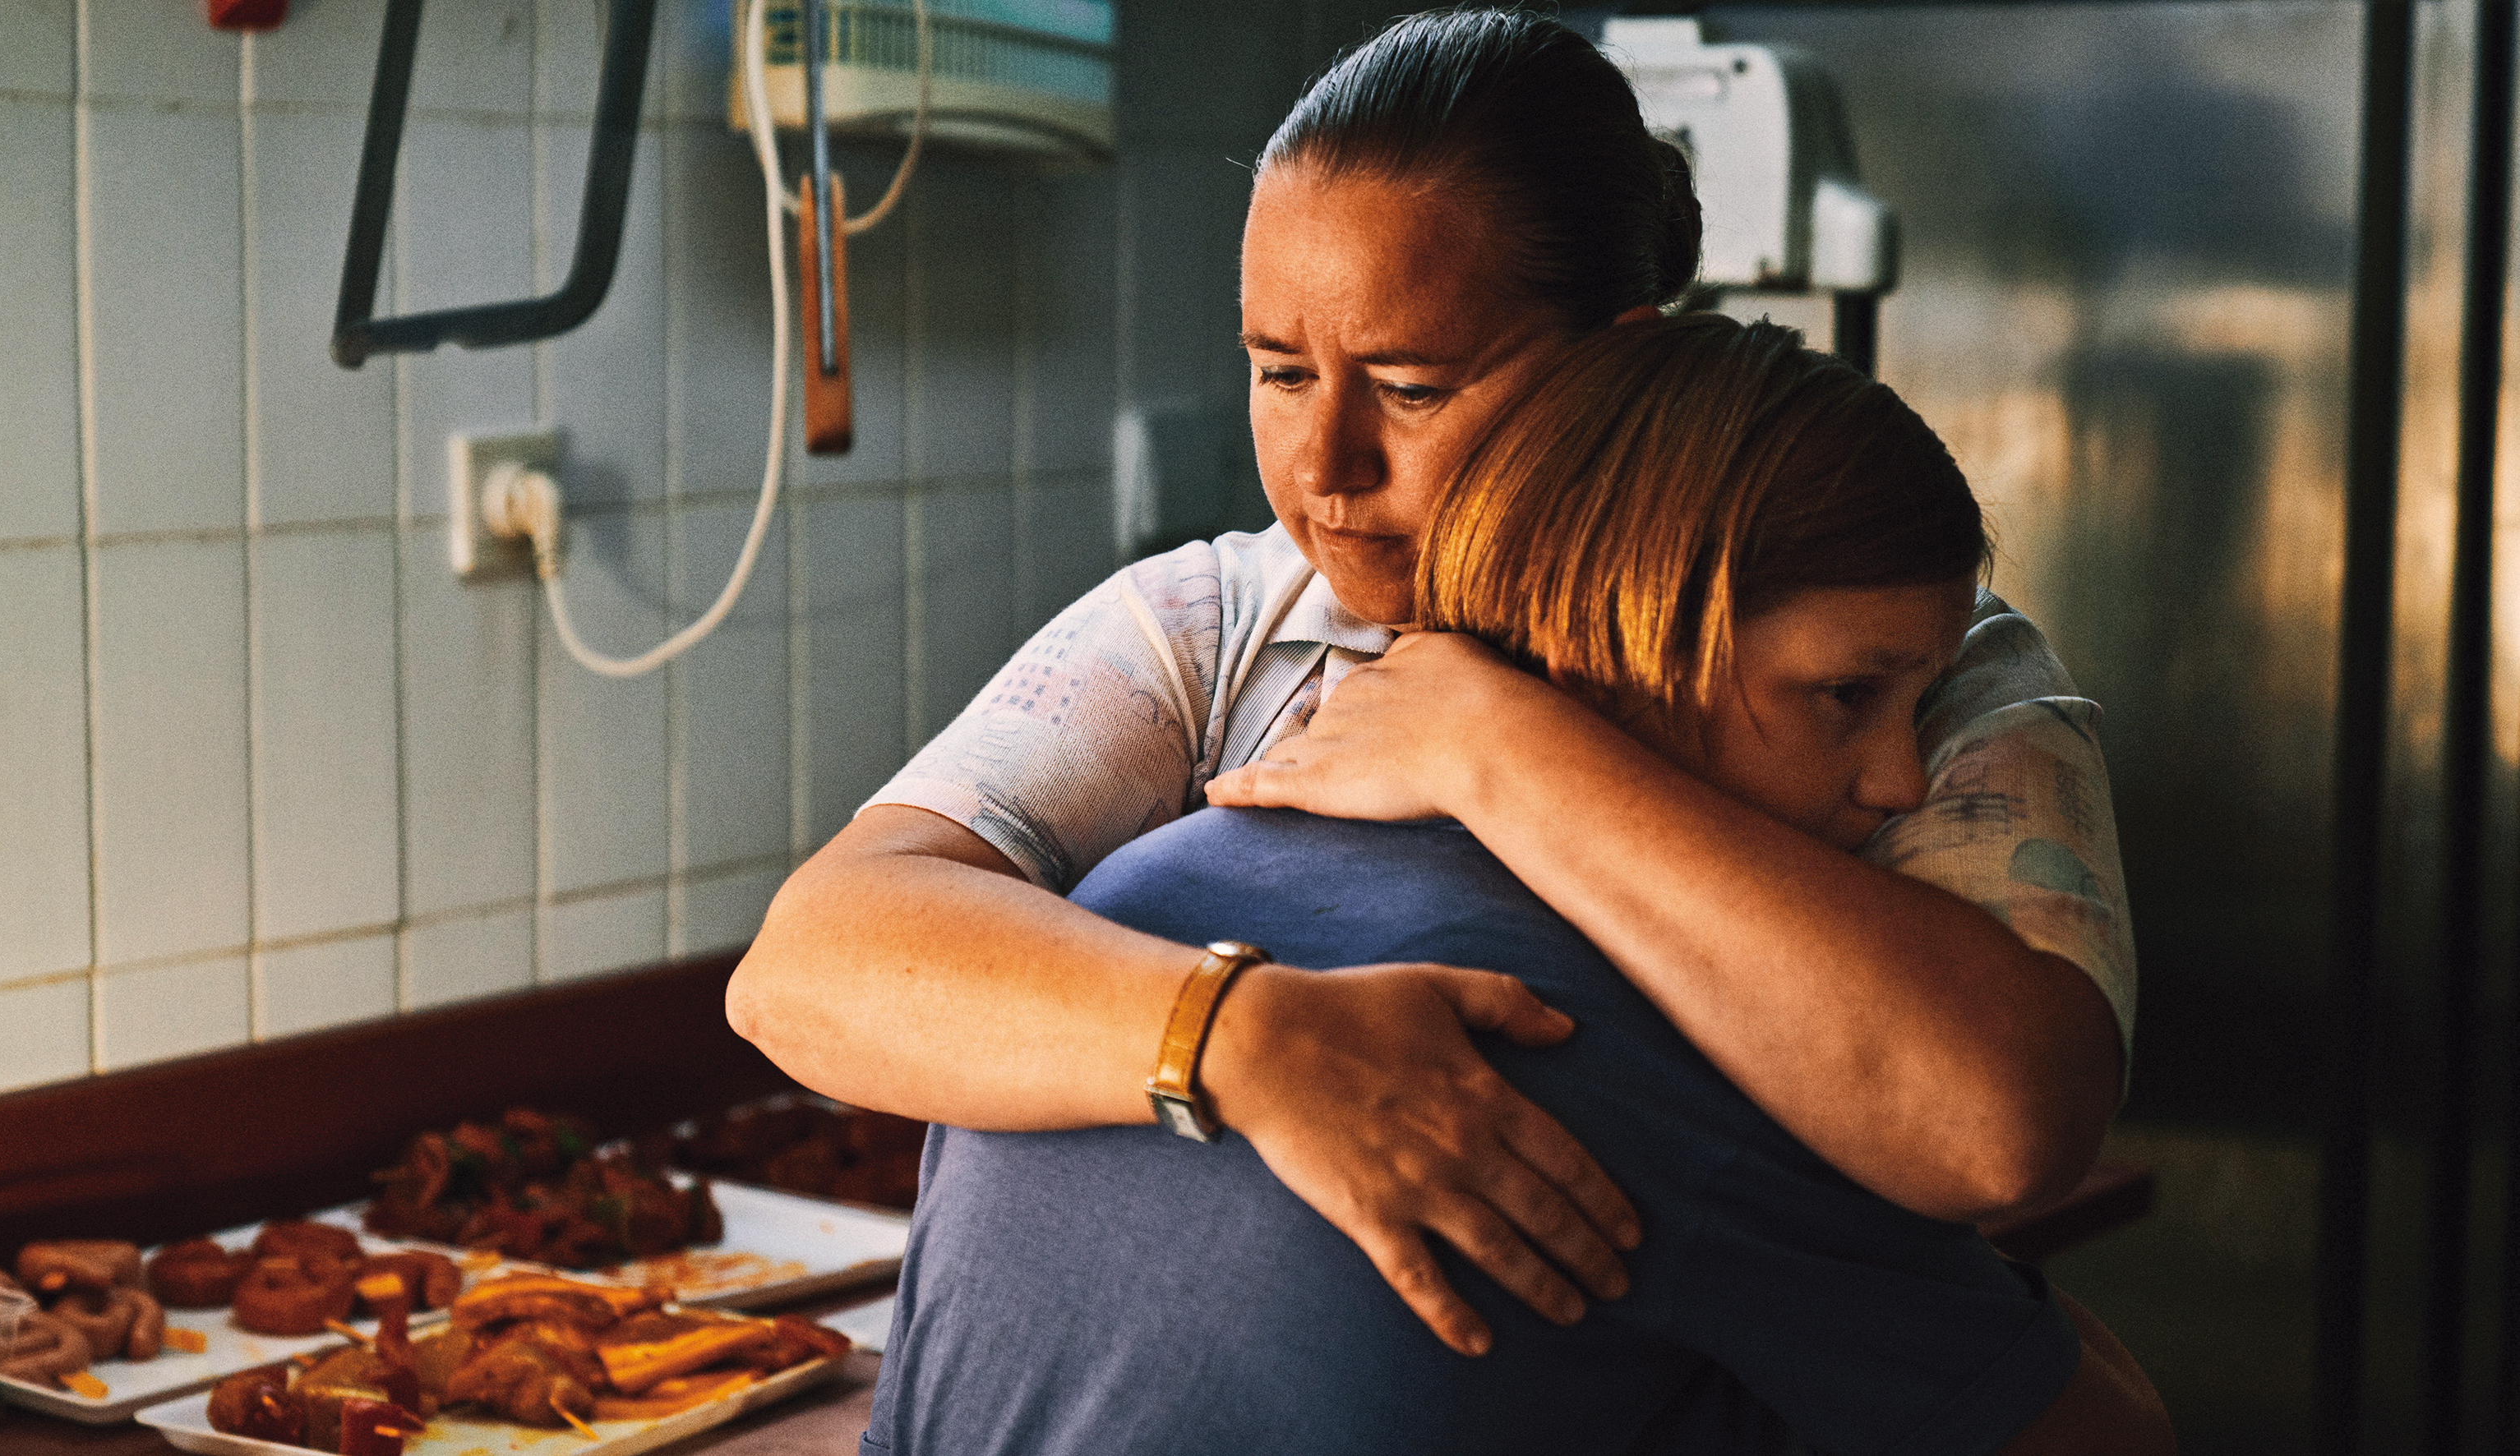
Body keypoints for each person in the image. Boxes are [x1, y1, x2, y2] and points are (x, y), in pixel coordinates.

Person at [729, 8, 2133, 1357]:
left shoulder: (1896, 670)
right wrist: (1245, 1037)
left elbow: (1999, 1130)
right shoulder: (1210, 629)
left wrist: (1496, 746)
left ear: (1618, 368)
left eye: (1410, 387)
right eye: (1282, 373)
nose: (1324, 467)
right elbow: (809, 968)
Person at [861, 315, 2170, 1456]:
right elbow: (2102, 1436)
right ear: (1639, 630)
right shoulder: (1630, 1035)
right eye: (1844, 696)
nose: (1897, 780)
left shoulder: (1115, 901)